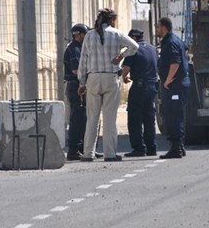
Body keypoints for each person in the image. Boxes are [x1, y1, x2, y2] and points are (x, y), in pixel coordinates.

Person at [77, 8, 139, 162]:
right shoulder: (117, 34)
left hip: (93, 78)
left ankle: (88, 153)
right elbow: (134, 46)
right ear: (111, 20)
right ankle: (109, 153)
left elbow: (83, 60)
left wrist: (82, 82)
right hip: (111, 77)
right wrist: (121, 55)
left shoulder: (89, 35)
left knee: (92, 118)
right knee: (109, 118)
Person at [155, 17, 190, 159]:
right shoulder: (174, 40)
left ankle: (176, 148)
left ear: (163, 27)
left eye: (158, 27)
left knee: (173, 116)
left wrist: (168, 80)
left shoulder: (170, 42)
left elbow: (175, 62)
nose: (156, 30)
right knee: (175, 115)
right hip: (178, 84)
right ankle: (179, 146)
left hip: (175, 85)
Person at [121, 28, 158, 157]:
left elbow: (126, 68)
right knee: (149, 118)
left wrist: (124, 77)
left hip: (139, 86)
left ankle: (138, 148)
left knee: (134, 118)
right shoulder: (153, 49)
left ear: (133, 38)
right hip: (152, 85)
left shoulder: (133, 49)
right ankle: (151, 147)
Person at [63, 23, 89, 161]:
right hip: (76, 86)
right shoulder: (74, 49)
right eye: (85, 34)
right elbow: (76, 71)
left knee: (83, 118)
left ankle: (84, 148)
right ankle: (74, 150)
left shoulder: (79, 48)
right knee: (77, 119)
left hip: (79, 85)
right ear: (78, 35)